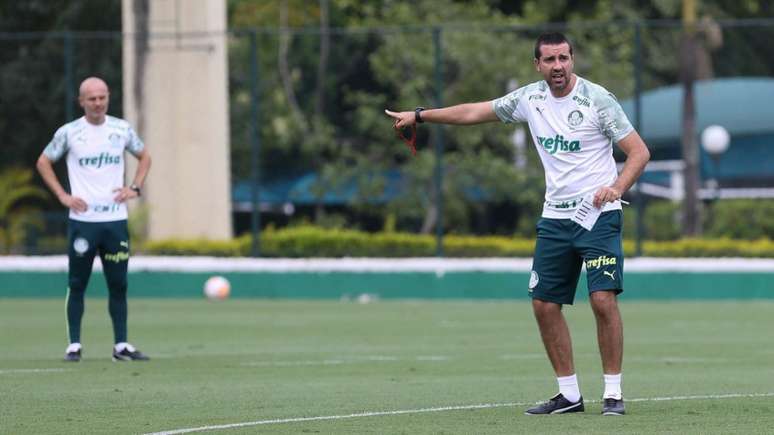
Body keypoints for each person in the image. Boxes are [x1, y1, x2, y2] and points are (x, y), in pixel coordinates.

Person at [385, 32, 650, 416]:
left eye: (563, 58)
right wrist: (421, 115)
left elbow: (639, 151)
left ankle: (613, 393)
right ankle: (569, 395)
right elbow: (475, 112)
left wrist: (617, 186)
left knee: (602, 299)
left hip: (598, 217)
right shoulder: (531, 99)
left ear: (572, 59)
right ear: (537, 66)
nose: (557, 66)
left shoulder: (598, 99)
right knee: (543, 303)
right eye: (549, 60)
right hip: (556, 218)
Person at [36, 77, 152, 362]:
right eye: (92, 99)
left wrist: (134, 188)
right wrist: (63, 196)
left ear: (108, 98)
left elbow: (145, 156)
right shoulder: (70, 132)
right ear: (82, 102)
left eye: (102, 97)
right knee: (77, 283)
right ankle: (74, 345)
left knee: (119, 284)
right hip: (83, 222)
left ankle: (121, 346)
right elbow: (43, 161)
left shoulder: (121, 129)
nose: (98, 103)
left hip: (115, 221)